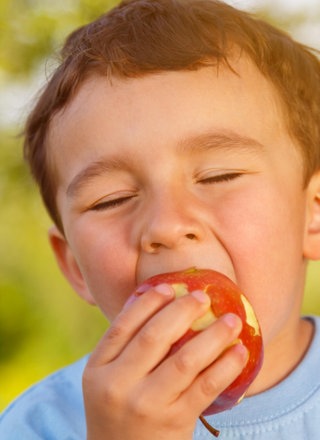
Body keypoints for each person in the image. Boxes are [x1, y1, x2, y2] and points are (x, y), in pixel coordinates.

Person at [1, 0, 320, 438]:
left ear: (314, 214)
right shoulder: (38, 426)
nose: (166, 225)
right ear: (75, 266)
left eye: (219, 175)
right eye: (111, 200)